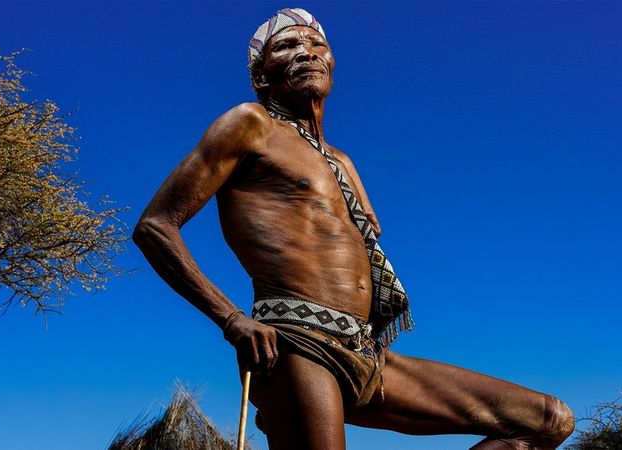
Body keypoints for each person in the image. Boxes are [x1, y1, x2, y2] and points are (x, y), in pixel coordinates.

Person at [133, 8, 574, 450]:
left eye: (316, 44)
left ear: (332, 63)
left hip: (368, 352)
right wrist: (232, 320)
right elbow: (155, 227)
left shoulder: (343, 162)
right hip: (295, 342)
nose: (305, 51)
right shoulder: (251, 125)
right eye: (285, 46)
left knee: (546, 421)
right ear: (262, 76)